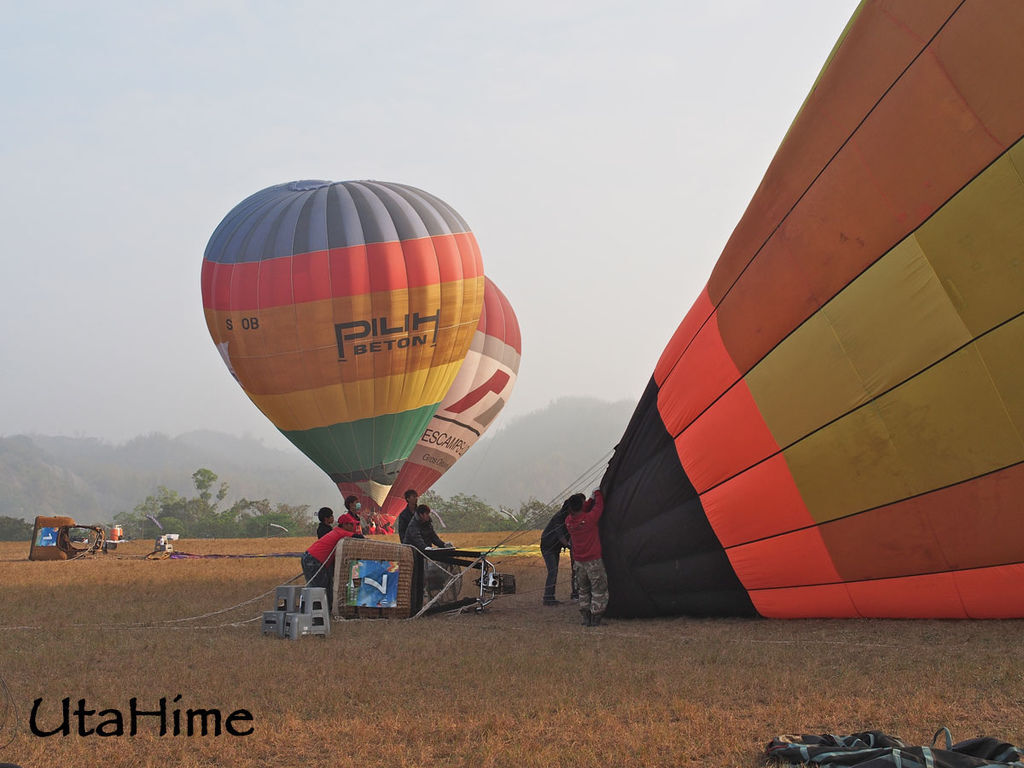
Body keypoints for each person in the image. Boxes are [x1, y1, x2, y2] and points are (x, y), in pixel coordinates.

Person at [565, 489, 607, 627]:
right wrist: (597, 494)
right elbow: (599, 507)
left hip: (579, 562)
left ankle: (585, 618)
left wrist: (588, 501)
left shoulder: (569, 522)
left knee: (583, 590)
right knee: (598, 589)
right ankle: (596, 617)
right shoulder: (589, 520)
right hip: (593, 561)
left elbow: (585, 509)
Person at [301, 521, 359, 612]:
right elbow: (359, 538)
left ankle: (322, 612)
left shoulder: (336, 531)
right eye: (351, 524)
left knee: (325, 587)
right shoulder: (341, 532)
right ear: (344, 524)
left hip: (311, 557)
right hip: (315, 560)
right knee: (319, 590)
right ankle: (316, 614)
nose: (354, 527)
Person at [540, 499, 573, 605]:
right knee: (552, 572)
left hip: (555, 548)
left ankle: (550, 596)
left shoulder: (569, 517)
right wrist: (570, 546)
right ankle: (548, 597)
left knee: (554, 571)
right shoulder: (559, 517)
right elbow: (561, 536)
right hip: (548, 547)